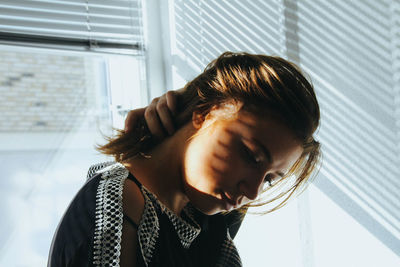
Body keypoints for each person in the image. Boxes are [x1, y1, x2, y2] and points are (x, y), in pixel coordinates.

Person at [48, 52, 320, 267]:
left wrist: (188, 104)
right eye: (251, 156)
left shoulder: (203, 211)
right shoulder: (121, 205)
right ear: (203, 112)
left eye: (270, 179)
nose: (252, 192)